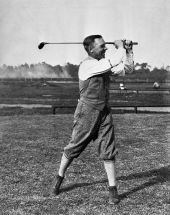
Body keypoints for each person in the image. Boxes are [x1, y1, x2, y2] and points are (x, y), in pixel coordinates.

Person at [51, 35, 134, 204]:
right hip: (86, 112)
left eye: (105, 46)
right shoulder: (87, 66)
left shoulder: (102, 66)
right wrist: (119, 47)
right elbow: (110, 62)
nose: (105, 48)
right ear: (91, 49)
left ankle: (113, 190)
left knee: (108, 149)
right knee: (74, 147)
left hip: (104, 111)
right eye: (102, 46)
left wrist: (129, 51)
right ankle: (59, 178)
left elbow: (128, 68)